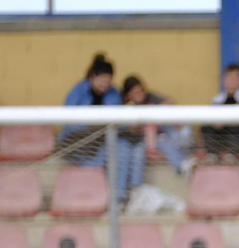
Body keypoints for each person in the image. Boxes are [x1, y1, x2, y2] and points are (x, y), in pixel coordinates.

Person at [60, 54, 131, 201]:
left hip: (104, 140)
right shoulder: (77, 91)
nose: (105, 85)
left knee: (123, 147)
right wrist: (90, 125)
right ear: (93, 76)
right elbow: (69, 121)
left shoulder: (114, 93)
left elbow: (118, 122)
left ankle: (118, 197)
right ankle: (92, 196)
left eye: (108, 82)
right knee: (100, 158)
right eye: (102, 81)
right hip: (78, 140)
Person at [121, 75, 191, 194]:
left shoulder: (151, 98)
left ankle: (182, 165)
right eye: (135, 92)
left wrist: (154, 112)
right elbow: (130, 130)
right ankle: (136, 189)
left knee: (167, 140)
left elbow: (170, 102)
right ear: (129, 95)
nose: (140, 94)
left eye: (141, 90)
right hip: (139, 141)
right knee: (138, 153)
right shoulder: (127, 107)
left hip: (157, 137)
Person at [204, 63, 239, 162]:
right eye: (229, 76)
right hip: (220, 134)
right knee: (207, 126)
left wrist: (227, 120)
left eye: (235, 77)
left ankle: (232, 154)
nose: (232, 80)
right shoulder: (216, 100)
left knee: (235, 125)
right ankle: (212, 154)